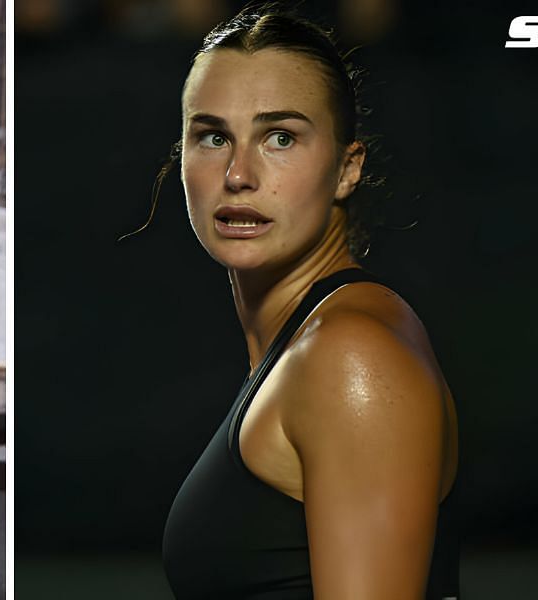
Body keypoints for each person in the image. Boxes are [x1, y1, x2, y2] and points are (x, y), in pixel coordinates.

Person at [159, 7, 459, 599]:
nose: (239, 174)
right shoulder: (306, 346)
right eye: (213, 136)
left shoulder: (351, 356)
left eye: (280, 137)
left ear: (347, 168)